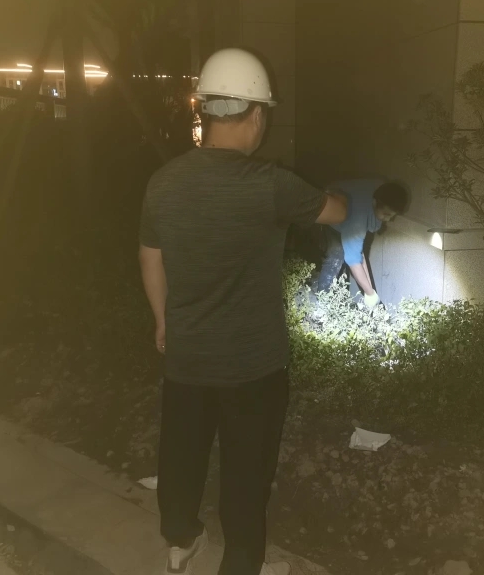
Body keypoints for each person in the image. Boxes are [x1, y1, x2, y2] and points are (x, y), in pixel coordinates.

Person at [138, 48, 347, 575]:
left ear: (208, 109)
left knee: (182, 451)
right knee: (246, 470)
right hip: (254, 364)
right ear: (255, 115)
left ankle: (180, 540)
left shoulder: (163, 182)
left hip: (188, 354)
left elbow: (150, 257)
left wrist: (163, 320)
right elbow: (336, 212)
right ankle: (240, 562)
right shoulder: (271, 184)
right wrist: (335, 192)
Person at [313, 179, 408, 307]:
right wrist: (370, 294)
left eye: (392, 216)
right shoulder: (358, 218)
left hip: (350, 203)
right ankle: (321, 302)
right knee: (336, 255)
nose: (388, 220)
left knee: (354, 250)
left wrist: (370, 290)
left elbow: (359, 254)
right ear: (374, 203)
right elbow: (353, 259)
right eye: (386, 214)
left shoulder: (384, 193)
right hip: (328, 206)